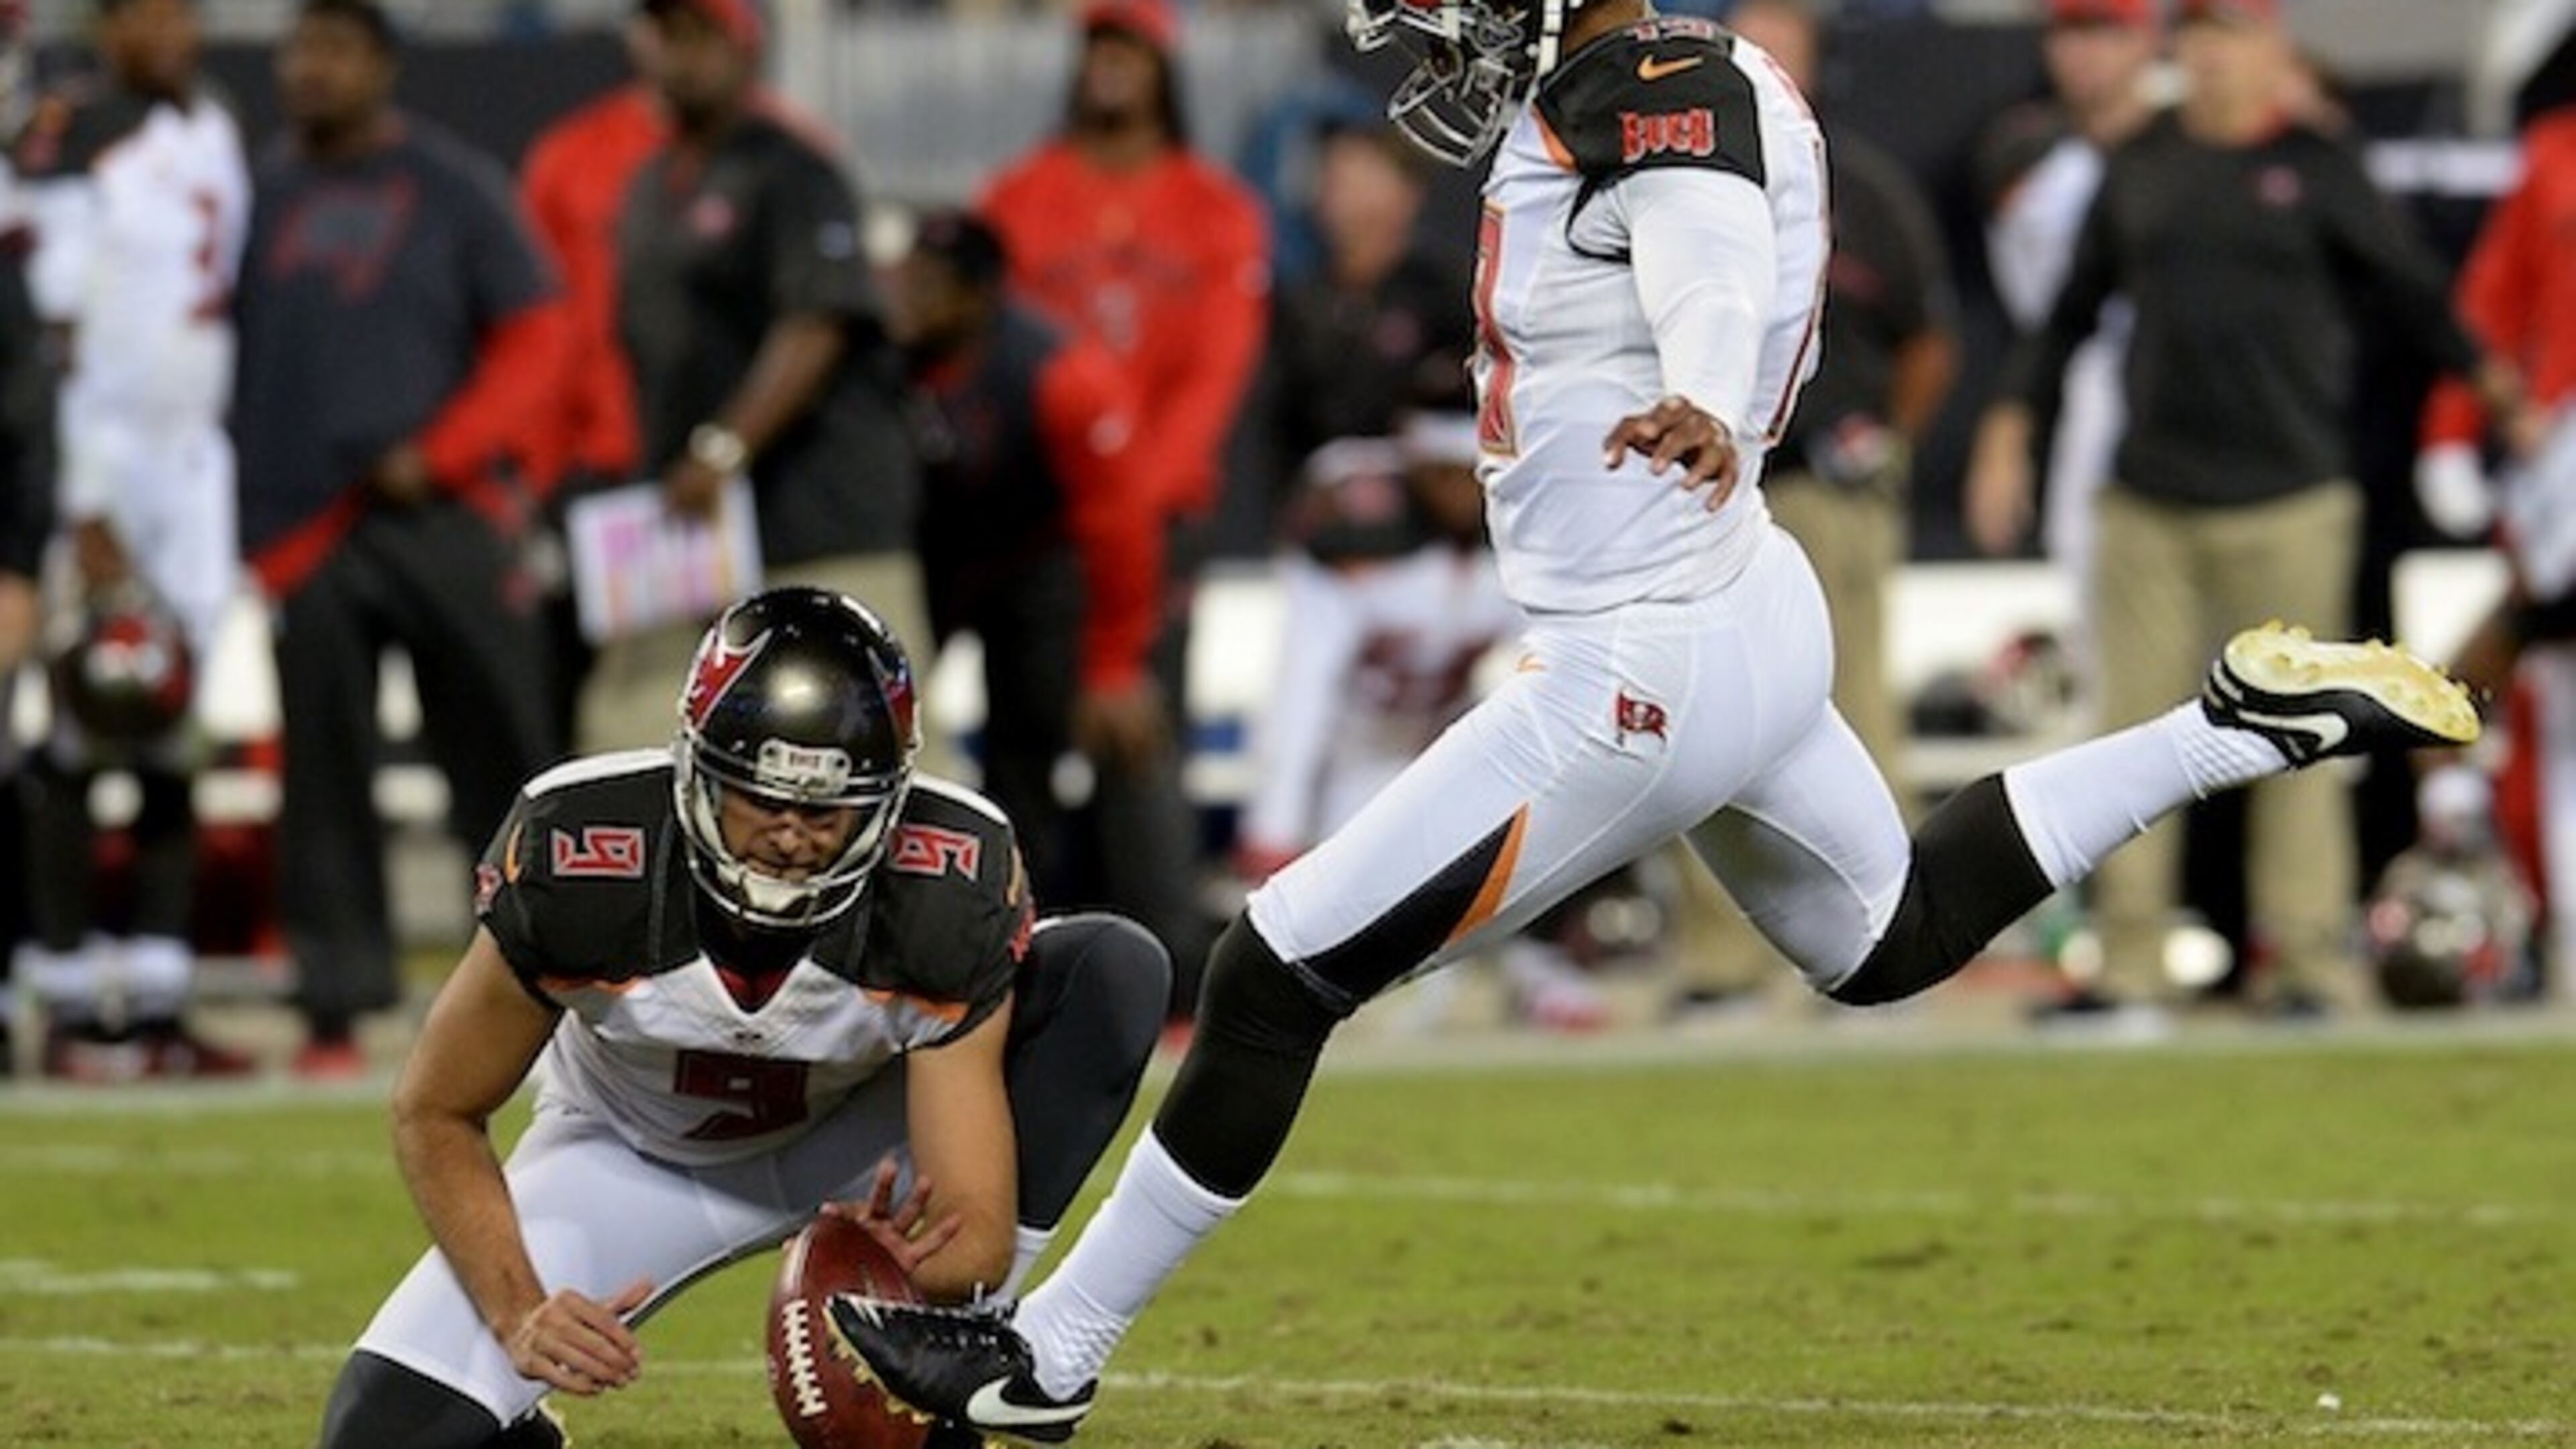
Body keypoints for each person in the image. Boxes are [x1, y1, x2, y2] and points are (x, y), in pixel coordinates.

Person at [826, 1, 2485, 1436]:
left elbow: (1704, 231)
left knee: (1271, 973)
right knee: (1886, 934)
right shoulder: (1684, 75)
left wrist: (1698, 380)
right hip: (1735, 601)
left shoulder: (1653, 88)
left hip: (1641, 652)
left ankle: (1049, 1350)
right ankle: (2236, 721)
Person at [315, 586, 1171, 1449]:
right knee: (377, 1440)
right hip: (627, 1151)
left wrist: (903, 1278)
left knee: (1107, 972)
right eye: (764, 800)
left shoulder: (946, 882)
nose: (792, 837)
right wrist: (520, 1311)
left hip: (862, 1147)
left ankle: (967, 1367)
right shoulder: (581, 857)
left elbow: (974, 1231)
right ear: (697, 765)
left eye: (826, 810)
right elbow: (436, 1109)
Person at [1966, 0, 2537, 1025]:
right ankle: (2130, 964)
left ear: (2271, 50)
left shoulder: (2317, 165)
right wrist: (2013, 421)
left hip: (2290, 496)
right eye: (2196, 35)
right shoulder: (2141, 162)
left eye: (2229, 33)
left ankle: (2307, 961)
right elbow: (2067, 320)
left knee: (2304, 740)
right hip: (2149, 498)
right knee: (2130, 739)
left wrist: (2495, 389)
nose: (2212, 54)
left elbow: (2414, 292)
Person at [231, 0, 567, 1078]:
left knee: (499, 750)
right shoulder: (263, 191)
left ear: (380, 66)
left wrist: (450, 451)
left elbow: (538, 334)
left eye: (335, 50)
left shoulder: (453, 186)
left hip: (438, 511)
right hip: (313, 526)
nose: (311, 69)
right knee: (322, 766)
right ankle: (336, 1004)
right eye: (300, 49)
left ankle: (545, 983)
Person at [979, 0, 1271, 999]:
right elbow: (997, 361)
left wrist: (1131, 494)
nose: (1108, 67)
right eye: (1094, 47)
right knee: (1021, 746)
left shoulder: (1217, 209)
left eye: (1127, 49)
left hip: (1151, 524)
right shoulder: (1019, 197)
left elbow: (1216, 377)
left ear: (1161, 67)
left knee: (1142, 748)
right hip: (1036, 522)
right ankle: (990, 973)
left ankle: (1164, 979)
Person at [582, 0, 934, 768]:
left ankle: (949, 893)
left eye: (700, 35)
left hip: (817, 519)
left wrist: (723, 448)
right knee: (632, 736)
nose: (679, 56)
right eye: (665, 33)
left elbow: (819, 321)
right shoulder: (650, 185)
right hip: (691, 523)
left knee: (873, 753)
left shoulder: (794, 171)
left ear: (746, 48)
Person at [6, 0, 249, 1079]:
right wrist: (86, 497)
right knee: (74, 722)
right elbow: (50, 336)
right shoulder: (72, 134)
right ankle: (60, 1000)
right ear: (106, 25)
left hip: (192, 459)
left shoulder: (215, 123)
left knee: (169, 722)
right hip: (100, 452)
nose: (172, 31)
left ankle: (155, 1004)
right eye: (147, 12)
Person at [891, 209, 1163, 915]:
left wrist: (1112, 661)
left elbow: (1116, 523)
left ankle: (1013, 925)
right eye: (906, 280)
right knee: (884, 726)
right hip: (935, 560)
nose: (909, 302)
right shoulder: (884, 358)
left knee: (1029, 758)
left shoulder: (1059, 374)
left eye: (930, 287)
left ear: (979, 296)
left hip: (1036, 568)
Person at [1723, 0, 1957, 786]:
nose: (1767, 72)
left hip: (1824, 485)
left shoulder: (1859, 190)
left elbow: (1929, 340)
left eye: (1783, 54)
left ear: (1816, 70)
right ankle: (1714, 916)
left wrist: (1887, 442)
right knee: (1717, 707)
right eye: (1750, 52)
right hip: (1710, 488)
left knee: (1847, 698)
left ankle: (1879, 902)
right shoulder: (1678, 182)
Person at [2413, 97, 2576, 994]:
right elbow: (2490, 304)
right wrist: (2452, 426)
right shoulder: (2554, 155)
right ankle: (2556, 933)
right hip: (2559, 463)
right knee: (2539, 693)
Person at [1972, 0, 2161, 665]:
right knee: (2096, 598)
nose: (2086, 54)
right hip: (2084, 379)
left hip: (2184, 379)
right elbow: (2030, 301)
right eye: (2071, 34)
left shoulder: (2190, 147)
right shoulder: (2021, 159)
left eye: (2106, 34)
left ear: (2145, 44)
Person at [514, 13, 665, 746]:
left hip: (716, 478)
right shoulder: (571, 157)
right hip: (598, 472)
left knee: (697, 697)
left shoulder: (780, 154)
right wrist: (537, 480)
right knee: (583, 707)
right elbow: (539, 331)